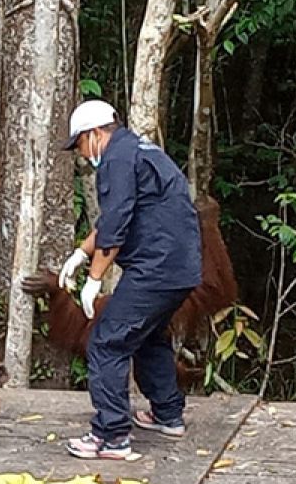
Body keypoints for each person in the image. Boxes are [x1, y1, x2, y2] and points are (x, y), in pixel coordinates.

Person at [58, 100, 203, 460]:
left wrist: (94, 278)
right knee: (147, 335)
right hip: (179, 269)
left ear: (94, 135)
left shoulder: (117, 159)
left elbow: (117, 225)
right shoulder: (139, 150)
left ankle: (111, 436)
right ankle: (168, 414)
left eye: (79, 145)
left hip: (156, 269)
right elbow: (114, 219)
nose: (80, 154)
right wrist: (80, 254)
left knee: (107, 342)